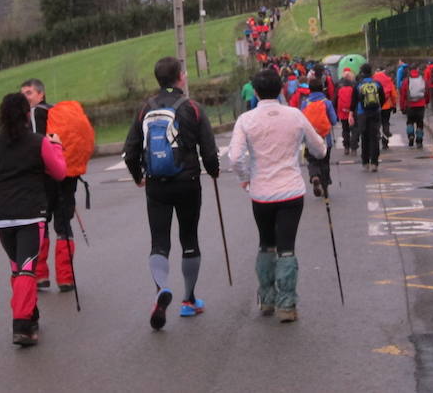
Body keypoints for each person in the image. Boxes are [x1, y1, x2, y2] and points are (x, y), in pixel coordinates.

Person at [123, 57, 220, 330]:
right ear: (181, 77)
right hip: (188, 181)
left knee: (159, 242)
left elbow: (130, 151)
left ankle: (162, 290)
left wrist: (138, 176)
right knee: (189, 238)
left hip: (156, 184)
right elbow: (209, 152)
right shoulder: (193, 108)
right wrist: (213, 171)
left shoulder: (144, 109)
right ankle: (189, 301)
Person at [227, 68, 326, 323]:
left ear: (256, 92)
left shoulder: (246, 120)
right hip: (291, 192)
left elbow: (235, 157)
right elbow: (318, 148)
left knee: (266, 243)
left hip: (261, 193)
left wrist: (245, 177)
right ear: (281, 88)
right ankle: (287, 304)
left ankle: (267, 299)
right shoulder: (295, 115)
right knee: (286, 247)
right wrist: (321, 150)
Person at [0, 93, 66, 346]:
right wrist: (56, 146)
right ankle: (23, 324)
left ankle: (31, 314)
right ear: (27, 115)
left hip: (2, 215)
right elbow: (59, 172)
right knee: (27, 268)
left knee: (17, 267)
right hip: (30, 213)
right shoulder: (39, 142)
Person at [21, 78, 73, 291]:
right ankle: (66, 278)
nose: (25, 97)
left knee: (40, 225)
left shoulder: (34, 115)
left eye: (29, 93)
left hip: (43, 179)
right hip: (66, 176)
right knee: (64, 226)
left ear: (41, 94)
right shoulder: (58, 114)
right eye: (23, 93)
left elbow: (34, 146)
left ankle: (41, 275)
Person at [299, 78, 338, 197]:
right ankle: (325, 185)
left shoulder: (305, 103)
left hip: (310, 138)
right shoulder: (327, 102)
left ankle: (314, 176)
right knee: (325, 162)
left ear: (309, 90)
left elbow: (301, 120)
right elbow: (334, 120)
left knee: (312, 160)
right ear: (322, 89)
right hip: (325, 138)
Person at [351, 63, 385, 172]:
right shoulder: (377, 84)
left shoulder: (358, 85)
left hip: (362, 114)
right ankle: (374, 163)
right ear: (371, 72)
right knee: (374, 137)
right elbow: (383, 98)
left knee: (364, 137)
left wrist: (351, 113)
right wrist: (378, 107)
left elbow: (353, 101)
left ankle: (365, 162)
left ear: (361, 72)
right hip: (375, 112)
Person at [400, 66, 430, 149]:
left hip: (410, 106)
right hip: (421, 105)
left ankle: (411, 136)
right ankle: (419, 141)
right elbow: (427, 92)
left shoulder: (406, 81)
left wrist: (402, 107)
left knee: (410, 122)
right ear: (417, 70)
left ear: (409, 71)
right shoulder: (423, 80)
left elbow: (403, 95)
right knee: (420, 123)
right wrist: (426, 101)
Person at [372, 64, 399, 149]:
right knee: (386, 123)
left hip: (375, 106)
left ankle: (376, 139)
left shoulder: (372, 80)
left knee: (376, 124)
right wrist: (394, 105)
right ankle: (385, 141)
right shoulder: (388, 80)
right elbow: (393, 95)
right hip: (387, 106)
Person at [335, 68, 356, 155]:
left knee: (345, 130)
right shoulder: (354, 86)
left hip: (342, 112)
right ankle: (354, 147)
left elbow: (335, 99)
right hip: (352, 111)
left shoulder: (339, 85)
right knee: (354, 130)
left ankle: (346, 147)